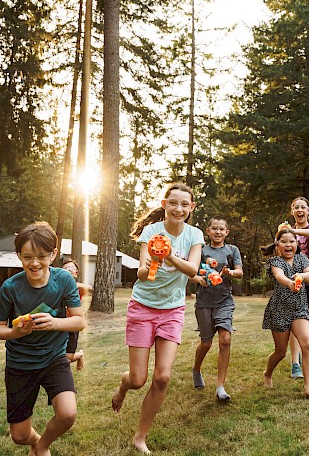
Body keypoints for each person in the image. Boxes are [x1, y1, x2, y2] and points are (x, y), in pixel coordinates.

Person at [111, 183, 204, 454]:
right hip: (143, 307)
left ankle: (140, 437)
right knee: (138, 379)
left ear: (191, 208)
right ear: (164, 204)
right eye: (173, 203)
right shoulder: (151, 232)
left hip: (172, 310)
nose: (179, 208)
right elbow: (141, 272)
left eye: (184, 204)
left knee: (162, 377)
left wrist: (171, 257)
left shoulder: (194, 234)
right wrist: (150, 264)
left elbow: (192, 269)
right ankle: (123, 386)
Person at [0, 221, 86, 456]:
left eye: (41, 256)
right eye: (27, 257)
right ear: (19, 255)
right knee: (19, 436)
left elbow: (79, 321)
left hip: (53, 358)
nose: (34, 263)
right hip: (20, 363)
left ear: (53, 254)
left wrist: (54, 323)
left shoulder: (64, 280)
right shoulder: (9, 287)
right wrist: (16, 332)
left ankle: (42, 445)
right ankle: (34, 441)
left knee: (67, 413)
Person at [261, 227, 309, 399]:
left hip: (299, 309)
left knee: (307, 344)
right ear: (278, 245)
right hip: (279, 309)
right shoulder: (275, 262)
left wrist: (300, 276)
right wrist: (289, 283)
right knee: (280, 352)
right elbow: (279, 276)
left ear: (297, 244)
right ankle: (267, 373)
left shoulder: (303, 259)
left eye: (292, 241)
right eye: (284, 241)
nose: (288, 245)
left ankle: (308, 387)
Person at [191, 217, 243, 401]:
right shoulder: (201, 250)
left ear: (227, 232)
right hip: (204, 302)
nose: (218, 232)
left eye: (221, 229)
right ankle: (196, 369)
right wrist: (200, 277)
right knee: (206, 343)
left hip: (224, 301)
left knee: (225, 339)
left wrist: (230, 272)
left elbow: (240, 272)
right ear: (208, 231)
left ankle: (220, 387)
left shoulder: (232, 250)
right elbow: (192, 273)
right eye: (214, 228)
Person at [288, 196, 309, 379]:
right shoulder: (286, 232)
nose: (299, 210)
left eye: (303, 207)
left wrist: (292, 230)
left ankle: (304, 349)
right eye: (296, 207)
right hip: (292, 279)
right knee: (295, 319)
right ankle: (295, 363)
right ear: (292, 211)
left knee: (305, 318)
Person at [61, 259, 91, 370]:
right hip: (59, 324)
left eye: (72, 268)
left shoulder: (78, 287)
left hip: (73, 324)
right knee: (58, 355)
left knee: (68, 356)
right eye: (66, 268)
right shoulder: (58, 286)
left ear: (76, 273)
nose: (69, 270)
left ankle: (79, 355)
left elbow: (89, 288)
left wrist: (73, 284)